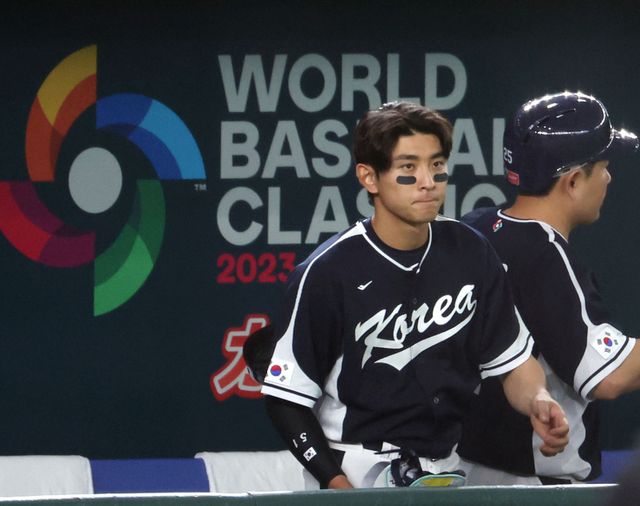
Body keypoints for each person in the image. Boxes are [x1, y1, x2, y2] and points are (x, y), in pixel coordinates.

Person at [260, 101, 569, 489]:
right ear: (369, 177)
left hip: (445, 466)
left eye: (436, 164)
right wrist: (337, 486)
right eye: (408, 167)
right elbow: (286, 400)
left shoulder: (471, 252)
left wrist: (539, 399)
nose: (428, 181)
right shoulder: (328, 271)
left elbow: (512, 362)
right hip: (356, 466)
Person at [457, 91, 640, 485]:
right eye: (604, 167)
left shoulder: (476, 226)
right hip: (532, 485)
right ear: (573, 181)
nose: (608, 178)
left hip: (465, 473)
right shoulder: (545, 255)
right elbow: (608, 375)